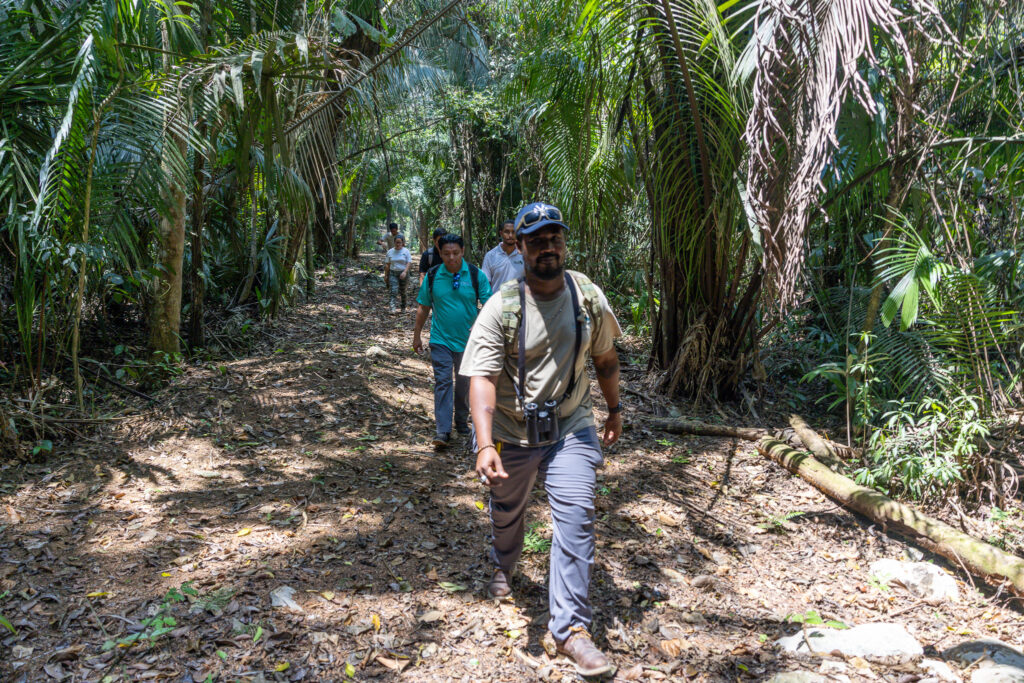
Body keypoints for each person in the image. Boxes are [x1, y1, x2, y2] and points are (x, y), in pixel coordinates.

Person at [459, 202, 622, 678]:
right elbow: (481, 377)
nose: (548, 247)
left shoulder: (586, 296)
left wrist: (614, 409)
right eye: (537, 241)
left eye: (555, 238)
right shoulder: (503, 305)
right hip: (512, 430)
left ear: (564, 243)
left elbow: (606, 359)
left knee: (576, 513)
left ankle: (570, 630)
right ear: (522, 247)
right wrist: (484, 444)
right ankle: (502, 562)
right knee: (508, 510)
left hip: (572, 424)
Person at [412, 234, 492, 450]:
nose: (451, 257)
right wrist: (417, 335)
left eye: (456, 253)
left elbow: (489, 305)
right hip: (441, 340)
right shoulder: (433, 275)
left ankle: (461, 420)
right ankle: (443, 430)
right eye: (446, 253)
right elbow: (423, 307)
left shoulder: (475, 275)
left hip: (469, 342)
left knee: (465, 383)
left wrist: (481, 325)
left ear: (462, 251)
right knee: (443, 381)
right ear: (440, 253)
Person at [480, 219, 524, 288]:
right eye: (507, 232)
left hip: (520, 295)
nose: (510, 235)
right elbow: (485, 283)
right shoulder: (490, 256)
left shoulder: (524, 255)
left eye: (513, 232)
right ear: (501, 233)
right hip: (496, 295)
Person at [384, 234, 412, 313]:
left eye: (400, 242)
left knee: (403, 291)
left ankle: (403, 307)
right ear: (394, 242)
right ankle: (392, 308)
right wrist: (386, 275)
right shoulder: (390, 252)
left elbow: (409, 263)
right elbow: (387, 264)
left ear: (402, 243)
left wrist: (405, 272)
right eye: (396, 242)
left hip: (403, 273)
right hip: (393, 273)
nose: (398, 244)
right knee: (393, 291)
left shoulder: (406, 251)